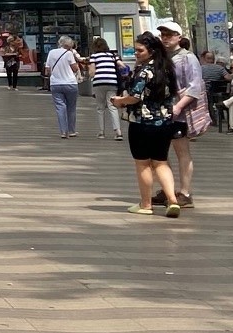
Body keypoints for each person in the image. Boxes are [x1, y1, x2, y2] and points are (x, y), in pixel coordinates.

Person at [112, 32, 183, 216]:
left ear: (151, 51)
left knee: (143, 164)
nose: (136, 53)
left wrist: (119, 101)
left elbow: (135, 97)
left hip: (142, 123)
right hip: (165, 123)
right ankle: (172, 200)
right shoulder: (167, 69)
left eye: (139, 50)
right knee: (161, 162)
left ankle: (146, 204)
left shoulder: (143, 71)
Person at [157, 19, 206, 207]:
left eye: (169, 34)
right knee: (160, 152)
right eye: (163, 35)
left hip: (180, 113)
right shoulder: (161, 57)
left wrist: (178, 107)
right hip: (161, 110)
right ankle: (167, 189)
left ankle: (184, 192)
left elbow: (195, 86)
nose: (165, 38)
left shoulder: (188, 58)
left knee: (181, 151)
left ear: (179, 37)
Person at [46, 36, 85, 138]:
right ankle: (72, 131)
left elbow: (47, 70)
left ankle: (63, 131)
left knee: (60, 108)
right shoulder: (69, 53)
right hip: (70, 83)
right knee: (71, 108)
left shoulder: (51, 53)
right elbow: (75, 69)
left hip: (55, 84)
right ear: (69, 45)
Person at [88, 38, 123, 140]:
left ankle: (101, 132)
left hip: (99, 83)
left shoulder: (94, 56)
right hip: (112, 82)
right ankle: (118, 132)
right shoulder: (113, 55)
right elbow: (122, 65)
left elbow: (92, 72)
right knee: (112, 106)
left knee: (100, 108)